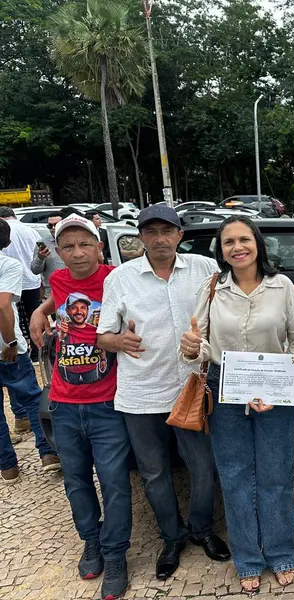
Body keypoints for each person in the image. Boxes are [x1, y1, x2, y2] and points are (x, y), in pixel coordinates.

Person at [96, 205, 230, 580]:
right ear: (140, 237)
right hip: (140, 392)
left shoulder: (205, 269)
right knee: (154, 474)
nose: (160, 239)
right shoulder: (120, 278)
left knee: (204, 468)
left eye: (167, 231)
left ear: (179, 236)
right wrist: (118, 341)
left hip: (191, 388)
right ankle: (172, 538)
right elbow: (102, 336)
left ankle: (202, 529)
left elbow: (236, 300)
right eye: (151, 232)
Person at [179, 216, 294, 594]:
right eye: (229, 241)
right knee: (234, 477)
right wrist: (191, 349)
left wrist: (284, 387)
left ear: (257, 243)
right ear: (221, 250)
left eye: (244, 239)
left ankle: (280, 552)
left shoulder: (282, 287)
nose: (237, 247)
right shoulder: (212, 288)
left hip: (275, 390)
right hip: (225, 389)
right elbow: (199, 344)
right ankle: (248, 558)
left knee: (276, 475)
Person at [28, 215, 130, 600]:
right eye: (68, 247)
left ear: (99, 246)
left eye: (85, 244)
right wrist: (39, 311)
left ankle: (115, 553)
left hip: (107, 403)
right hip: (64, 403)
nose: (77, 253)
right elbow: (54, 299)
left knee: (115, 482)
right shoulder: (57, 279)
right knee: (76, 481)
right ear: (58, 252)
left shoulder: (116, 278)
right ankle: (92, 541)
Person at [0, 218, 60, 484]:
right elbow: (3, 306)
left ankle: (8, 467)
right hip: (6, 347)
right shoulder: (8, 265)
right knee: (31, 398)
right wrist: (10, 342)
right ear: (7, 241)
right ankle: (48, 453)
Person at [0, 207, 42, 362]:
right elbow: (40, 251)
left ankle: (17, 341)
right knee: (33, 317)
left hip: (8, 282)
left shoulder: (5, 230)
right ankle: (36, 352)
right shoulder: (31, 230)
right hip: (30, 280)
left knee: (18, 317)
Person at [30, 213, 65, 298]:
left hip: (76, 290)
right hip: (53, 293)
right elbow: (35, 270)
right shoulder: (43, 243)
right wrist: (40, 258)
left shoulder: (74, 240)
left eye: (56, 225)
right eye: (50, 226)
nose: (53, 228)